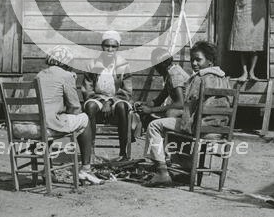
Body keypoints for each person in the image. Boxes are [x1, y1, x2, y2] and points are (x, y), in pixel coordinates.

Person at [143, 41, 232, 187]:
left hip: (200, 127)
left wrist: (175, 118)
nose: (194, 63)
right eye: (192, 60)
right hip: (218, 129)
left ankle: (162, 171)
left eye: (198, 59)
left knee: (155, 125)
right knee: (175, 123)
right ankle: (186, 170)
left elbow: (188, 109)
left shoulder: (199, 78)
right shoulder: (224, 78)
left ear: (210, 61)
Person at [34, 46, 103, 185]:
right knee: (84, 119)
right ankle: (86, 169)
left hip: (26, 126)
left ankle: (48, 170)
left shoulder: (39, 75)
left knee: (49, 118)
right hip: (45, 127)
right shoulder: (66, 76)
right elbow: (75, 107)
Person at [82, 30, 133, 161]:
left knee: (122, 107)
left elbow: (127, 92)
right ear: (102, 46)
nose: (110, 49)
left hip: (117, 99)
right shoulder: (92, 64)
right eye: (107, 46)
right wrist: (102, 100)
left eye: (113, 46)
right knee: (90, 106)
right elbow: (87, 91)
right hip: (96, 98)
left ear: (118, 48)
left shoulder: (123, 65)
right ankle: (91, 151)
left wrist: (110, 101)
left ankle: (123, 152)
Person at [135, 48, 189, 129]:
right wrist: (144, 105)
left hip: (189, 110)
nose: (155, 69)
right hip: (185, 108)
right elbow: (160, 99)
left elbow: (180, 103)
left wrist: (151, 110)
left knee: (170, 113)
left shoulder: (174, 74)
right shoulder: (169, 73)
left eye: (156, 66)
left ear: (162, 65)